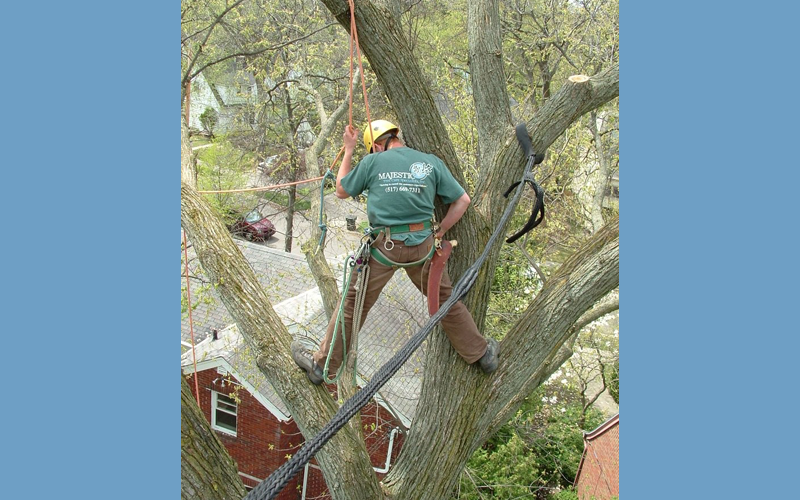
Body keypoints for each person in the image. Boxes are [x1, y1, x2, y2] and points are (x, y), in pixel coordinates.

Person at [291, 120, 498, 385]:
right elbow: (463, 201)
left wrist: (349, 150)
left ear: (377, 146)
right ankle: (482, 354)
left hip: (383, 249)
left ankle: (322, 367)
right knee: (445, 299)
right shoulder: (430, 162)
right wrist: (441, 231)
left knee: (353, 305)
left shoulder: (372, 163)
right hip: (422, 249)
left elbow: (341, 190)